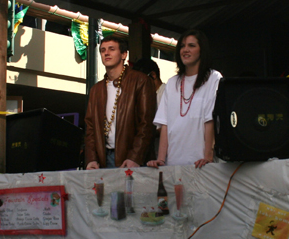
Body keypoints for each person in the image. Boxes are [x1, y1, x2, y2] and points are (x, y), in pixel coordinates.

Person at [148, 29, 222, 169]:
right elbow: (165, 124)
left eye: (191, 46)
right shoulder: (172, 83)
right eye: (182, 46)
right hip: (173, 164)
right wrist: (161, 160)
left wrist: (208, 157)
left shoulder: (213, 78)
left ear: (202, 50)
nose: (185, 50)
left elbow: (210, 120)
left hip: (201, 164)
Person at [84, 36, 156, 170]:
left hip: (131, 158)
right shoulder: (96, 89)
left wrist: (135, 157)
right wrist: (91, 159)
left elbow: (147, 123)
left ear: (124, 54)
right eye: (102, 50)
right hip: (102, 159)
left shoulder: (141, 81)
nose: (106, 53)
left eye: (111, 49)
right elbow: (90, 128)